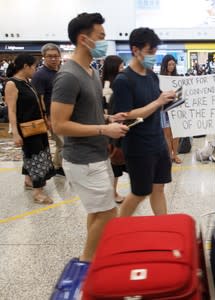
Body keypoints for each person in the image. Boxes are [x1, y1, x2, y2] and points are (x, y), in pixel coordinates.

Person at [51, 13, 129, 262]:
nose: (105, 42)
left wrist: (108, 119)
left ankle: (95, 256)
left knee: (97, 212)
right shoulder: (68, 76)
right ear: (84, 39)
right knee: (107, 213)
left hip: (97, 155)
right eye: (101, 37)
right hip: (82, 160)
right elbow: (59, 124)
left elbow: (88, 113)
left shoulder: (92, 72)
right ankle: (86, 262)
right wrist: (103, 130)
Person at [112, 27, 176, 217]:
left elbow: (155, 105)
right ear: (135, 50)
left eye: (155, 51)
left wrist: (169, 101)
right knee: (140, 192)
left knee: (159, 189)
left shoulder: (151, 76)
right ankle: (120, 227)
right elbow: (126, 115)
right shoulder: (123, 80)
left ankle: (163, 227)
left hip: (158, 142)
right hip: (138, 146)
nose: (153, 56)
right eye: (150, 51)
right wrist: (158, 101)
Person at [5, 54, 55, 204]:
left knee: (39, 153)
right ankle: (37, 193)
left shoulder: (27, 82)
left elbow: (38, 102)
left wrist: (45, 118)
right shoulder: (12, 84)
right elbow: (11, 111)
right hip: (26, 128)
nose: (35, 69)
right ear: (25, 66)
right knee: (36, 157)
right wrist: (15, 133)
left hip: (37, 125)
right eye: (34, 66)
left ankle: (28, 180)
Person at [31, 43, 65, 176]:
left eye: (56, 56)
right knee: (62, 142)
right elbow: (39, 98)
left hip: (64, 114)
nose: (53, 59)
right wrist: (45, 118)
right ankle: (57, 167)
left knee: (64, 143)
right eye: (50, 56)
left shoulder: (61, 71)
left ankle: (58, 166)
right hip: (51, 115)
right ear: (44, 57)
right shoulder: (40, 75)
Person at [101, 55, 126, 204]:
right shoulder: (108, 86)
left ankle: (113, 191)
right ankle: (112, 192)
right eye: (121, 66)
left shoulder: (118, 83)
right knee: (114, 162)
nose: (123, 69)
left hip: (116, 125)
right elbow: (106, 108)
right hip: (111, 128)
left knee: (115, 162)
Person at [159, 54, 182, 164]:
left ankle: (175, 155)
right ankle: (169, 155)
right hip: (164, 110)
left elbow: (182, 93)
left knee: (176, 134)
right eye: (169, 64)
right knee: (167, 135)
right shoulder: (159, 79)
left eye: (173, 64)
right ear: (165, 65)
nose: (172, 66)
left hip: (176, 109)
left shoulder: (178, 77)